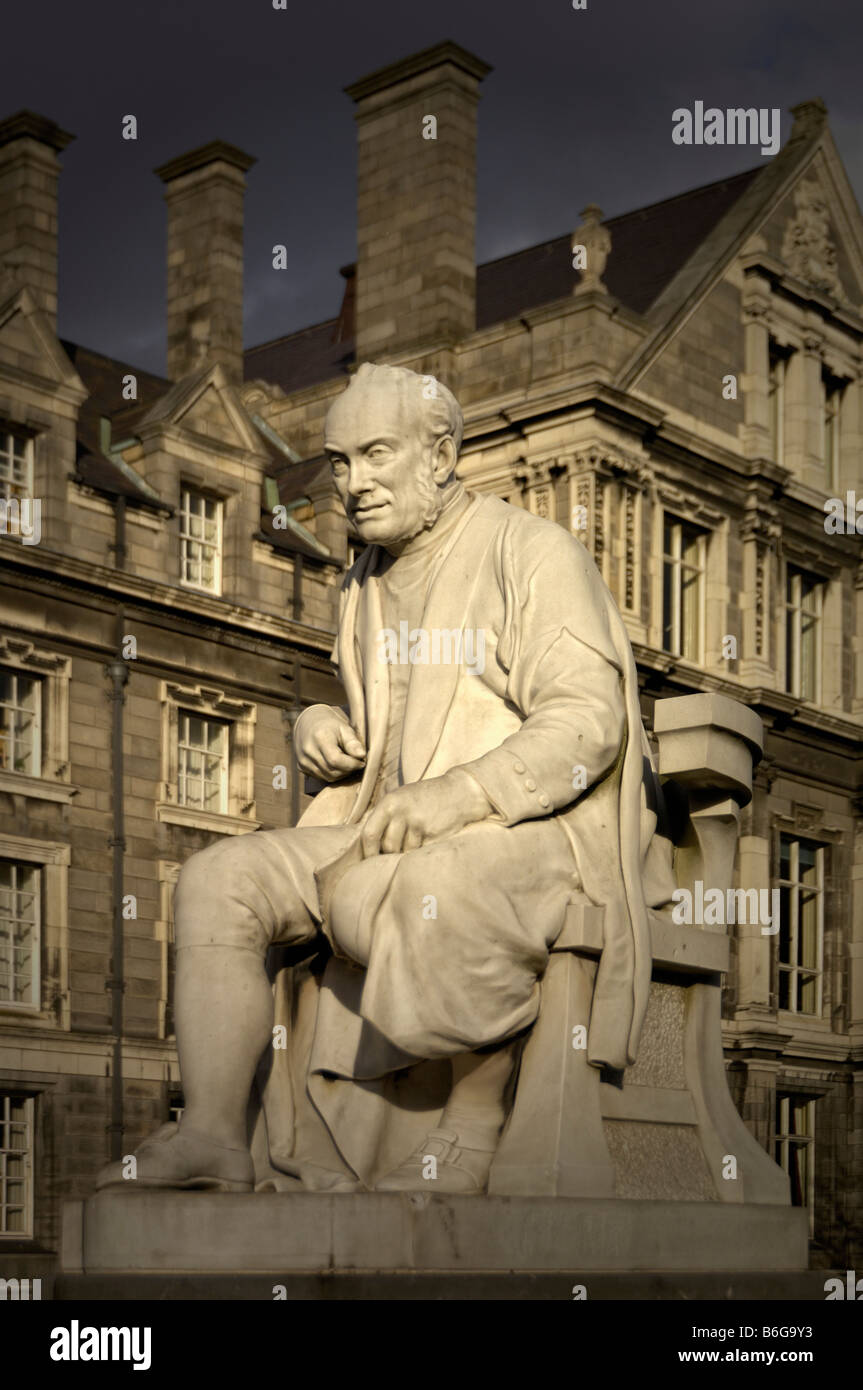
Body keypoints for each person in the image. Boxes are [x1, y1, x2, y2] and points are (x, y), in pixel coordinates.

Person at [97, 362, 674, 1196]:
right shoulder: (361, 581)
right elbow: (389, 733)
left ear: (439, 454)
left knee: (441, 881)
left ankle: (472, 1126)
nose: (352, 484)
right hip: (382, 823)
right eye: (337, 462)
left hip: (531, 825)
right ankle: (216, 1134)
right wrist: (318, 726)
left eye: (374, 455)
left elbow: (587, 723)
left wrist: (461, 794)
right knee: (217, 877)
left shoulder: (532, 552)